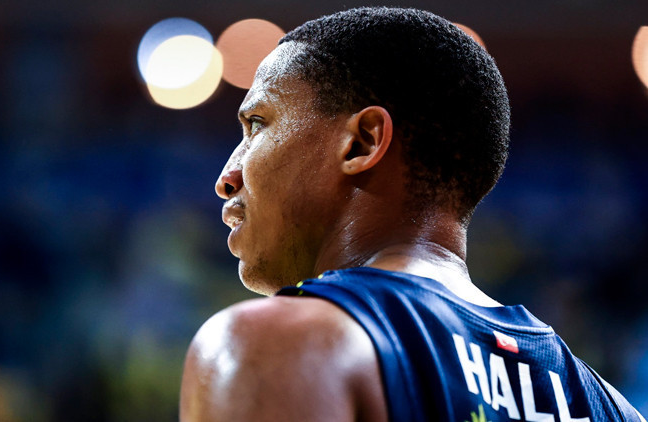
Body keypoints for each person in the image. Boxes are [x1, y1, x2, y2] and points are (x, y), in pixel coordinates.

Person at [180, 7, 645, 422]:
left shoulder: (270, 346)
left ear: (362, 143)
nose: (227, 177)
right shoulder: (612, 407)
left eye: (257, 124)